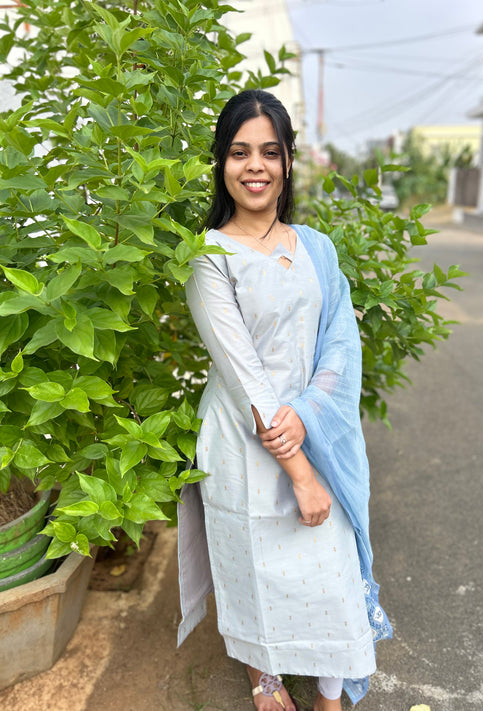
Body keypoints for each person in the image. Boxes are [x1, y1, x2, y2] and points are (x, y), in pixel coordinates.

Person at [178, 89, 392, 711]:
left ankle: (330, 689)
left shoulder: (317, 248)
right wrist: (297, 470)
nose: (255, 166)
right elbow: (243, 371)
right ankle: (265, 681)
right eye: (239, 152)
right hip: (242, 441)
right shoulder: (209, 256)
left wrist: (307, 418)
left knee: (327, 570)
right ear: (221, 162)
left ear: (289, 162)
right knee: (253, 567)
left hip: (313, 433)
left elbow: (340, 343)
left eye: (269, 151)